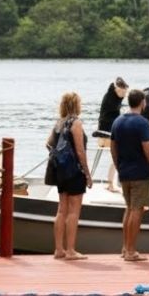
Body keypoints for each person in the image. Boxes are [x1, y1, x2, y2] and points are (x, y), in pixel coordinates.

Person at [110, 89, 149, 261]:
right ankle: (131, 251)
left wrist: (118, 166)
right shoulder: (142, 123)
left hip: (125, 172)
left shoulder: (118, 121)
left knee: (129, 208)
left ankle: (124, 247)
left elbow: (113, 147)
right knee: (137, 210)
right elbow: (148, 149)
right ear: (142, 102)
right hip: (140, 173)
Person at [45, 91, 92, 260]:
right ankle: (71, 250)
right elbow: (80, 150)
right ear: (76, 105)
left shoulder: (59, 123)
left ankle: (59, 249)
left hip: (61, 172)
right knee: (74, 211)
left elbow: (48, 143)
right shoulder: (76, 123)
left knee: (61, 209)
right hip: (74, 171)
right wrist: (87, 173)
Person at [95, 77, 129, 191]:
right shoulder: (111, 99)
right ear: (117, 89)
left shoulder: (113, 95)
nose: (125, 95)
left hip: (108, 131)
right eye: (123, 92)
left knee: (119, 156)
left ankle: (112, 182)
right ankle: (111, 183)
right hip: (106, 133)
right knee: (119, 155)